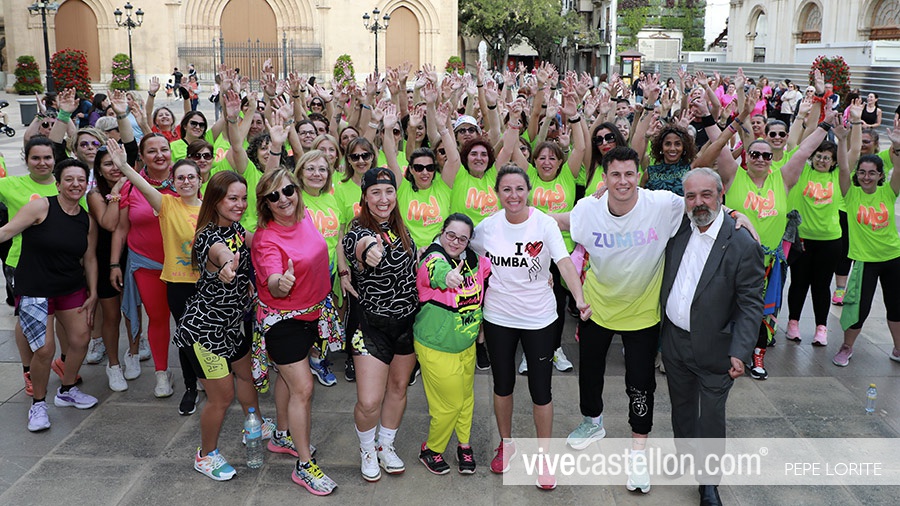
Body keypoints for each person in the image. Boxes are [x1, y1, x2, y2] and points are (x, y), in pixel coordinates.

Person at [470, 165, 589, 490]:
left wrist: (579, 298)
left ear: (529, 191)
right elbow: (466, 251)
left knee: (541, 389)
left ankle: (544, 457)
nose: (513, 196)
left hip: (539, 318)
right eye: (506, 189)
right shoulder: (488, 227)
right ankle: (506, 443)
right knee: (503, 384)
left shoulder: (544, 223)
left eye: (519, 189)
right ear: (497, 193)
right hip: (499, 317)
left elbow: (564, 262)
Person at [660, 168, 765, 506]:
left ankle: (708, 483)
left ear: (721, 195)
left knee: (711, 417)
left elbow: (751, 304)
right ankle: (683, 454)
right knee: (681, 406)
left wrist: (741, 350)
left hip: (716, 347)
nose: (698, 202)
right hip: (674, 341)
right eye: (691, 196)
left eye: (706, 194)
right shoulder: (679, 226)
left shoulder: (742, 243)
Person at [251, 168, 338, 494]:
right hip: (284, 322)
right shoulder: (266, 240)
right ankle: (304, 466)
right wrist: (280, 282)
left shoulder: (305, 218)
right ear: (265, 203)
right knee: (303, 388)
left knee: (288, 381)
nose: (283, 199)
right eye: (273, 196)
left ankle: (282, 434)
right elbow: (273, 278)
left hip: (312, 314)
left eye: (288, 190)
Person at [0, 159, 98, 432]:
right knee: (44, 350)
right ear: (58, 183)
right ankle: (38, 404)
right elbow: (6, 232)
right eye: (69, 179)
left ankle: (67, 390)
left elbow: (90, 258)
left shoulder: (86, 219)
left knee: (81, 339)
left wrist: (93, 292)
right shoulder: (41, 206)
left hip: (70, 287)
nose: (75, 184)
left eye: (81, 180)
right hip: (35, 289)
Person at [172, 170, 255, 482]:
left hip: (232, 325)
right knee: (221, 397)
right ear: (216, 200)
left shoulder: (235, 227)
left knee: (246, 376)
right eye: (232, 198)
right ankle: (205, 455)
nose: (239, 204)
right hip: (205, 331)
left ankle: (255, 425)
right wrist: (228, 267)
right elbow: (221, 254)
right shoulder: (209, 236)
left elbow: (256, 241)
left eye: (243, 198)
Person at [342, 167, 419, 483]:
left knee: (399, 388)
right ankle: (366, 449)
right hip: (371, 328)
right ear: (365, 196)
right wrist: (370, 252)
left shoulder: (402, 228)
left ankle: (385, 445)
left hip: (407, 325)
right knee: (369, 400)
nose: (383, 198)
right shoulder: (357, 231)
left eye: (389, 191)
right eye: (375, 192)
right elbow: (361, 247)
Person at [413, 213, 490, 475]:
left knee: (466, 399)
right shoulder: (432, 259)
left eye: (462, 238)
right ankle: (431, 449)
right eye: (451, 235)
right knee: (449, 405)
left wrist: (542, 278)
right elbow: (436, 271)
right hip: (437, 346)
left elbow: (501, 270)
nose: (455, 242)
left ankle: (464, 444)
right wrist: (448, 278)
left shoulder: (475, 262)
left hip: (466, 345)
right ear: (442, 232)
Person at [833, 128, 900, 366]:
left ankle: (898, 349)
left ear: (881, 175)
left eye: (872, 173)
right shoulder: (851, 195)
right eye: (862, 172)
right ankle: (846, 347)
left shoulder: (888, 192)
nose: (866, 177)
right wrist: (842, 140)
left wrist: (897, 146)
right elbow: (843, 169)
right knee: (858, 309)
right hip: (864, 261)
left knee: (896, 307)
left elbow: (898, 169)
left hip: (893, 257)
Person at [785, 141, 842, 345]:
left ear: (834, 162)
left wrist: (847, 134)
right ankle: (793, 323)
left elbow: (851, 154)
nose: (821, 160)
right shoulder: (803, 173)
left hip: (830, 240)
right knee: (799, 283)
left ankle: (821, 328)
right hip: (801, 239)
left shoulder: (838, 176)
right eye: (818, 156)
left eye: (827, 158)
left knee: (822, 285)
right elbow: (797, 146)